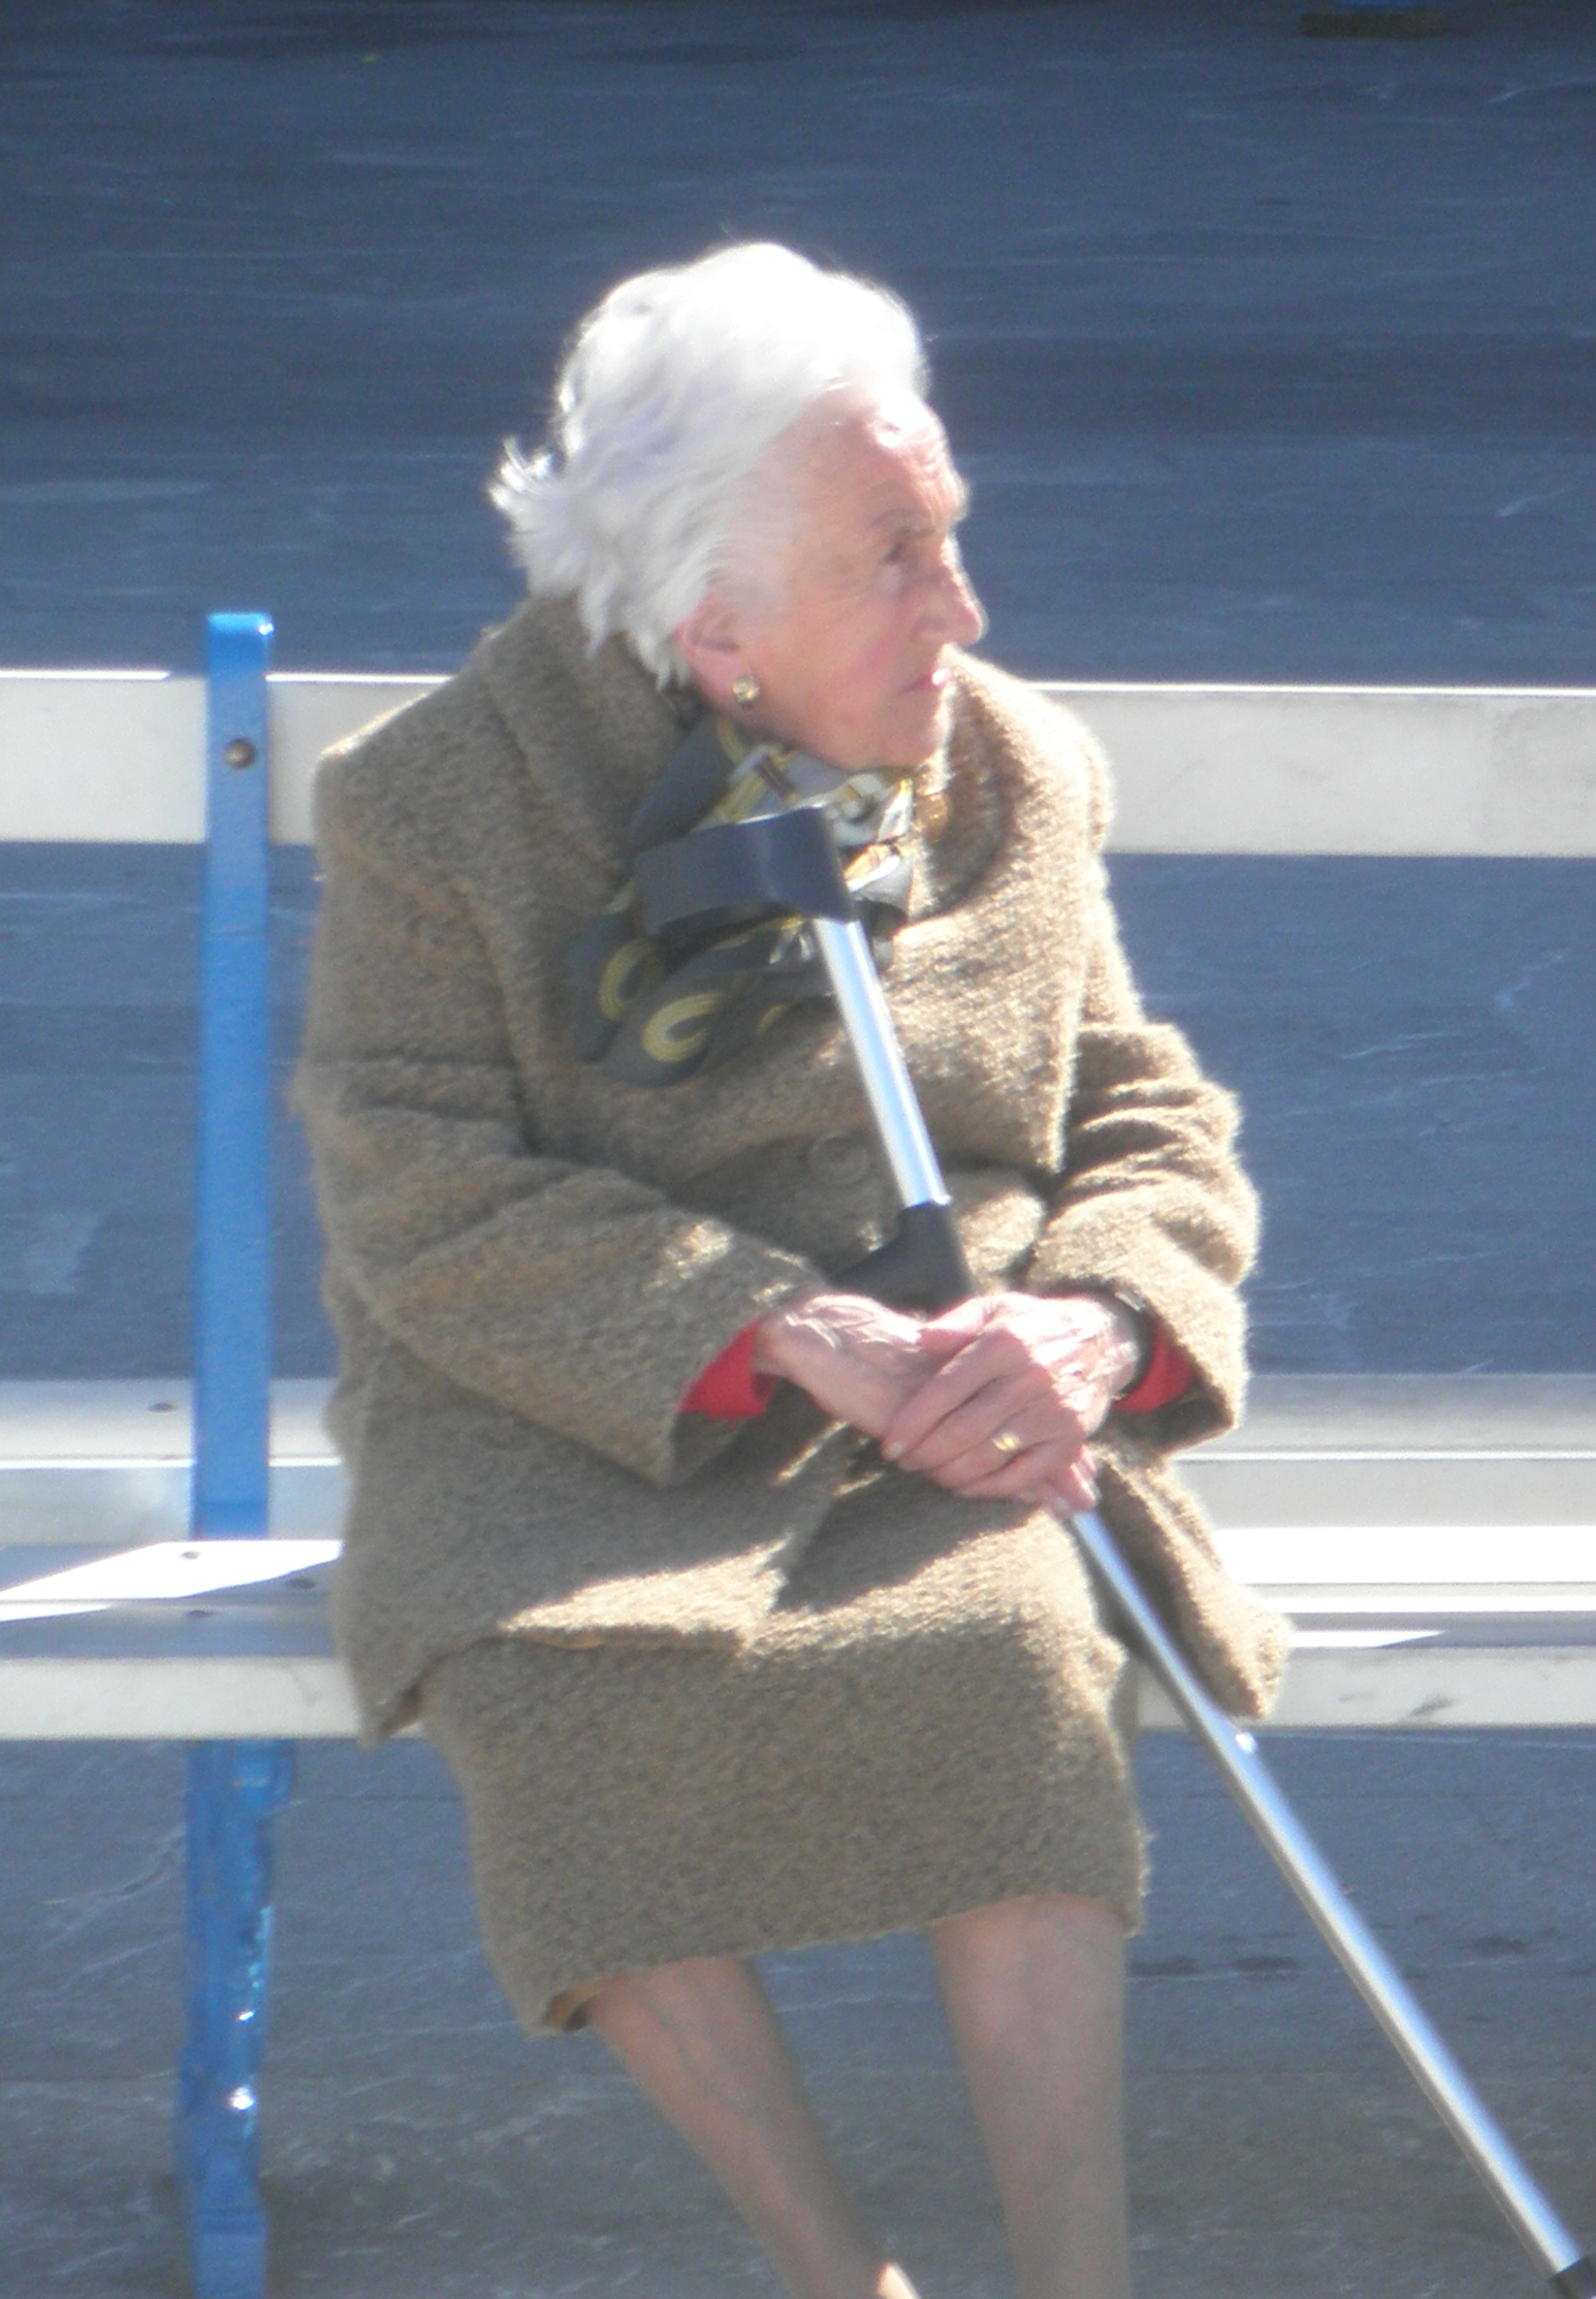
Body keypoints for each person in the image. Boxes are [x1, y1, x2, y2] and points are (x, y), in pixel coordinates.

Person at [294, 241, 1285, 2299]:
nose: (967, 609)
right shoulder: (436, 802)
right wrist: (762, 1326)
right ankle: (845, 2286)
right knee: (565, 1706)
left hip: (955, 1379)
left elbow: (1147, 1118)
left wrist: (1094, 1325)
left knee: (1017, 1653)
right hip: (570, 1405)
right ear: (715, 631)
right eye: (899, 558)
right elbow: (411, 1180)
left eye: (954, 537)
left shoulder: (1014, 770)